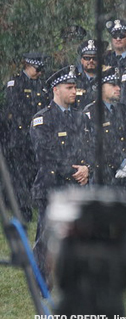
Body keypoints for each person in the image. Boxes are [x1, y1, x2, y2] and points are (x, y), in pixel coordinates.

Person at [30, 66, 93, 279]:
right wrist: (74, 172)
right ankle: (42, 280)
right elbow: (45, 155)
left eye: (75, 87)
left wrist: (87, 169)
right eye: (69, 87)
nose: (74, 91)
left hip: (76, 188)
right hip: (52, 187)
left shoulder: (81, 117)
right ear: (56, 90)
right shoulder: (43, 120)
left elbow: (90, 148)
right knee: (47, 237)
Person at [3, 52, 49, 220]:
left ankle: (33, 204)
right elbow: (12, 112)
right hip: (19, 137)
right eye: (37, 69)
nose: (39, 73)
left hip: (36, 137)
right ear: (28, 65)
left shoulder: (42, 85)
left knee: (32, 172)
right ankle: (23, 209)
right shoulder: (15, 84)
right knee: (20, 174)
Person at [82, 67, 126, 186]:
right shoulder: (91, 112)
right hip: (104, 175)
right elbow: (94, 145)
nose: (118, 88)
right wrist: (119, 162)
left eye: (118, 85)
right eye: (113, 85)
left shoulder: (123, 110)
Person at [74, 39, 104, 109]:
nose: (91, 61)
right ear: (81, 60)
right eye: (87, 58)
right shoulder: (75, 80)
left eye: (94, 58)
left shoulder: (105, 79)